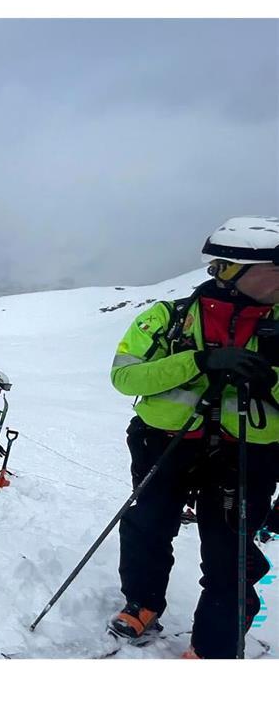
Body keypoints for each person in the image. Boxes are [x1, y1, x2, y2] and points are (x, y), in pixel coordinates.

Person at [107, 216, 279, 659]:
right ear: (233, 269)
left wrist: (269, 381)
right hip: (164, 441)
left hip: (247, 452)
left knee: (229, 551)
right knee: (147, 525)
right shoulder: (168, 318)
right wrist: (200, 361)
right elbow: (125, 377)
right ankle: (142, 604)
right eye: (275, 270)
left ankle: (214, 647)